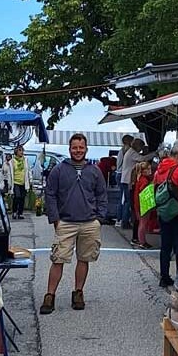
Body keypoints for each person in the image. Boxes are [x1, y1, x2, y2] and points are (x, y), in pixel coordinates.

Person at [40, 134, 107, 314]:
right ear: (69, 149)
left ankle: (78, 292)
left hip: (89, 222)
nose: (78, 151)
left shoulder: (94, 171)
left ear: (86, 149)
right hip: (66, 222)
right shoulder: (59, 170)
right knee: (58, 259)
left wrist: (99, 218)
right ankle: (50, 295)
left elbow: (102, 194)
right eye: (75, 147)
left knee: (84, 259)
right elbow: (50, 194)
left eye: (81, 147)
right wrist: (55, 218)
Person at [154, 142, 178, 288]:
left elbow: (155, 188)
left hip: (163, 212)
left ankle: (164, 277)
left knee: (165, 245)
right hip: (177, 211)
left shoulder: (159, 170)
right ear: (177, 155)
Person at [118, 134, 155, 233]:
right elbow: (142, 159)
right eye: (141, 147)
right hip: (127, 180)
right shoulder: (132, 153)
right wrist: (154, 154)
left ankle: (124, 220)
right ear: (137, 146)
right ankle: (125, 222)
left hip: (125, 179)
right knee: (128, 202)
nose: (141, 149)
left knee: (127, 201)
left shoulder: (130, 152)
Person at [133, 160, 155, 249]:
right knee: (143, 223)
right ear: (143, 171)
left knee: (142, 223)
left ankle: (142, 240)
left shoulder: (139, 178)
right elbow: (143, 190)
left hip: (138, 203)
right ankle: (142, 241)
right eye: (148, 169)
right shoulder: (144, 180)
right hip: (143, 204)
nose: (150, 171)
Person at [10, 145, 31, 220]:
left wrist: (30, 180)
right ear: (16, 152)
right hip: (15, 182)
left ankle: (20, 213)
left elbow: (28, 170)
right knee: (17, 196)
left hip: (23, 182)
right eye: (20, 150)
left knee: (22, 198)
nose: (22, 152)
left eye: (22, 150)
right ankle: (14, 211)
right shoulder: (12, 161)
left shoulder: (25, 160)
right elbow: (10, 173)